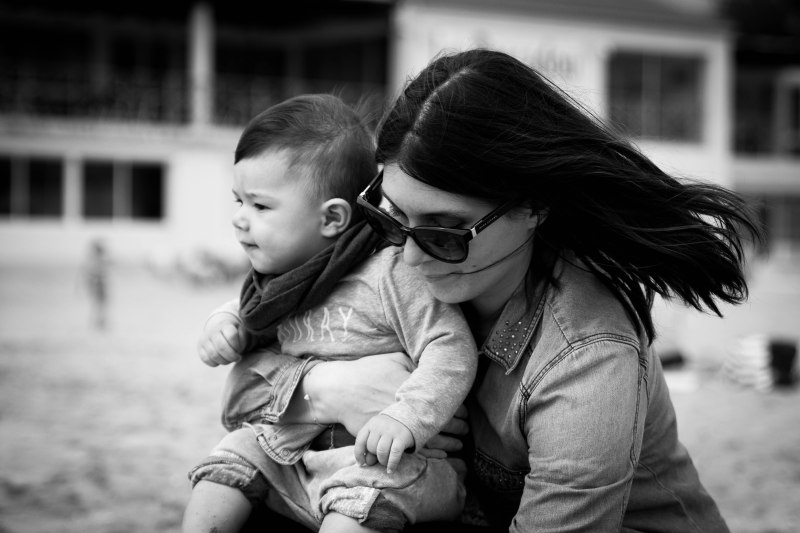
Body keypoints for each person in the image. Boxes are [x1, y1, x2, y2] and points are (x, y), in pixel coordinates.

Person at [214, 49, 763, 532]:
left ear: (534, 206)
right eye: (392, 218)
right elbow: (237, 400)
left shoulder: (586, 359)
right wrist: (329, 387)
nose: (410, 255)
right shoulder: (377, 260)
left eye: (445, 231)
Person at [182, 94, 478, 533]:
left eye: (260, 206)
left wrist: (406, 416)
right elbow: (250, 326)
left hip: (385, 462)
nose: (239, 219)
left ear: (332, 218)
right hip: (293, 452)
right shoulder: (282, 281)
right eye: (237, 201)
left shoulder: (389, 272)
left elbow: (450, 346)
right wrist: (223, 324)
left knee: (355, 508)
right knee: (228, 460)